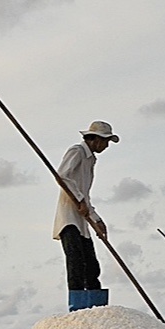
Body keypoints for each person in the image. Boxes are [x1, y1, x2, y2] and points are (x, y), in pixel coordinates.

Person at [54, 122, 117, 309]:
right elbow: (62, 176)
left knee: (91, 266)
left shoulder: (90, 160)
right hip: (69, 219)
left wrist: (97, 219)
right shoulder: (77, 151)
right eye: (105, 142)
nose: (106, 146)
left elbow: (84, 194)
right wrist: (79, 199)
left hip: (81, 220)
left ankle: (96, 309)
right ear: (96, 139)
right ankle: (78, 309)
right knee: (76, 263)